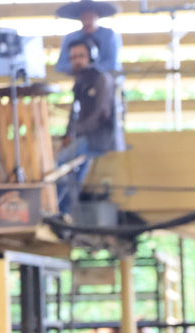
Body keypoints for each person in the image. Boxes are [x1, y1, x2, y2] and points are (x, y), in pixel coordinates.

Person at [55, 39, 118, 215]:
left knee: (61, 165)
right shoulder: (80, 82)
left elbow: (101, 113)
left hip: (96, 138)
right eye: (74, 57)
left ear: (91, 56)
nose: (77, 60)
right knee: (71, 175)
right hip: (82, 136)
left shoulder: (101, 79)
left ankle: (58, 210)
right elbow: (73, 112)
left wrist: (76, 132)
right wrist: (68, 134)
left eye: (81, 56)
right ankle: (64, 212)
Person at [54, 0, 122, 75]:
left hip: (107, 79)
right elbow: (61, 65)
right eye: (84, 17)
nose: (87, 21)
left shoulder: (109, 35)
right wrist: (78, 66)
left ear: (97, 16)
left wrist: (90, 68)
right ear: (80, 18)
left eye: (90, 17)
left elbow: (112, 64)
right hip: (81, 79)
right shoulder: (71, 37)